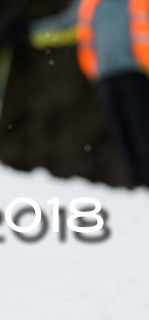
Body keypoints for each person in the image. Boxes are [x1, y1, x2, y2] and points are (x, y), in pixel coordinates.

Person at [28, 0, 149, 187]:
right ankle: (141, 189)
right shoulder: (89, 4)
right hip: (106, 80)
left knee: (143, 134)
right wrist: (29, 33)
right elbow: (65, 26)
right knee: (125, 139)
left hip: (140, 76)